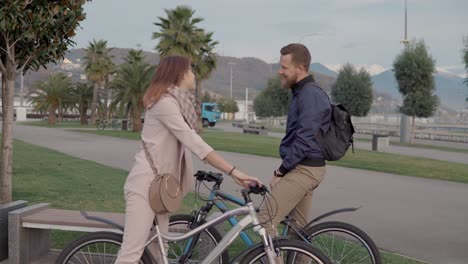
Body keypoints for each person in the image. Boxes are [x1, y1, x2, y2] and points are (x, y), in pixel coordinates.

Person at [115, 55, 261, 263]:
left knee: (160, 251)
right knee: (131, 252)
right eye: (190, 70)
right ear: (180, 74)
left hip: (160, 190)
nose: (194, 74)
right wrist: (234, 172)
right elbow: (195, 143)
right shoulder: (164, 104)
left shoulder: (178, 103)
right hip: (144, 186)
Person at [257, 43, 331, 237]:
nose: (280, 72)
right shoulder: (302, 93)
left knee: (266, 219)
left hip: (306, 169)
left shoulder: (310, 95)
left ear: (300, 68)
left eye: (284, 67)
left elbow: (304, 139)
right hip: (303, 166)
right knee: (297, 231)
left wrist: (281, 171)